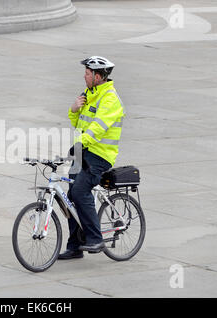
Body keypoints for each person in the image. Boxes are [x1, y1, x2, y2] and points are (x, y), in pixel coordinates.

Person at [59, 56, 125, 259]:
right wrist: (74, 109)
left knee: (80, 190)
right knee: (70, 198)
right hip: (82, 151)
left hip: (100, 155)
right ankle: (75, 245)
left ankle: (95, 238)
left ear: (98, 76)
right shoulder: (88, 94)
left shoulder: (110, 99)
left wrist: (80, 143)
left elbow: (98, 127)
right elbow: (79, 123)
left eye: (87, 74)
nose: (84, 77)